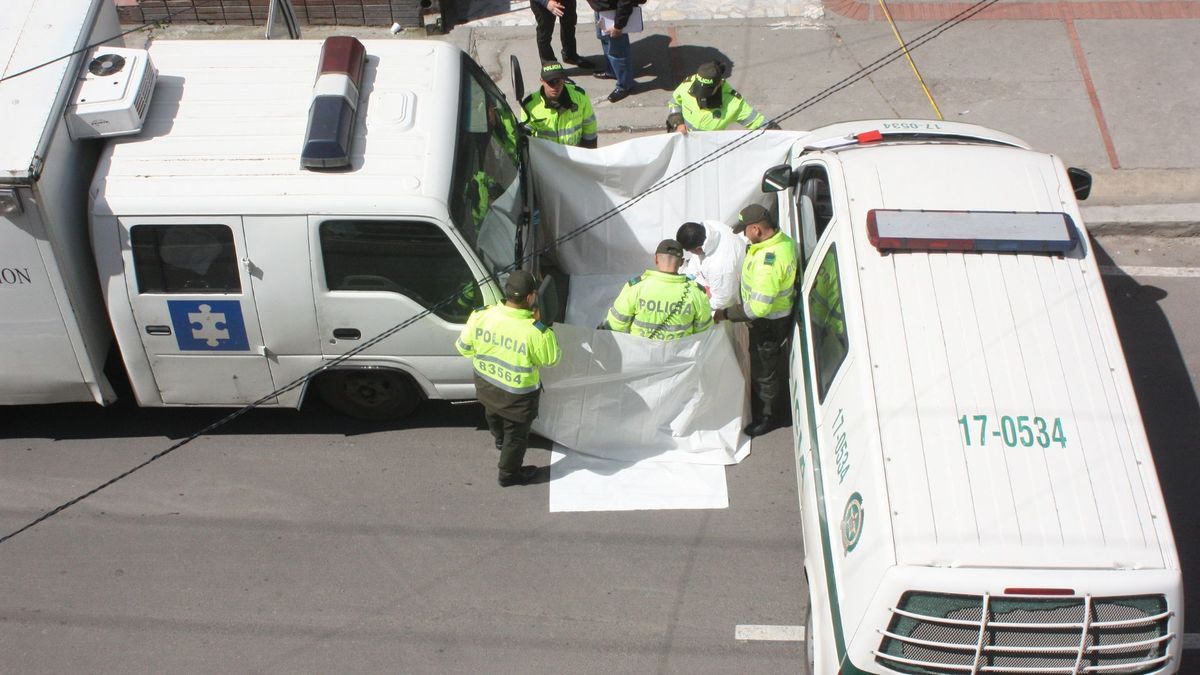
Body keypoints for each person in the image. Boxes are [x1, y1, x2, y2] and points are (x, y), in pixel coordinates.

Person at [456, 271, 563, 487]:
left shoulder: (481, 315)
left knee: (493, 416)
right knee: (516, 438)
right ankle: (509, 474)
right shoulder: (535, 332)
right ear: (531, 297)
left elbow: (464, 349)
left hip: (486, 387)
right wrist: (545, 327)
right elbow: (552, 360)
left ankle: (499, 441)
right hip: (517, 398)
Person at [713, 205, 797, 437]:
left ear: (757, 229)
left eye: (746, 230)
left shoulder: (767, 264)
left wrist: (725, 314)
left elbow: (758, 308)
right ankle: (770, 410)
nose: (744, 235)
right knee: (768, 366)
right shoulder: (782, 242)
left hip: (767, 324)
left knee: (764, 371)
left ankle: (768, 417)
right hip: (776, 317)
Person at [604, 239, 713, 340]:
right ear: (681, 262)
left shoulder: (636, 287)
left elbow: (615, 325)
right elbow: (704, 335)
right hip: (680, 359)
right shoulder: (696, 292)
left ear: (656, 259)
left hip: (639, 357)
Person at [666, 61, 779, 133]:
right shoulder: (687, 85)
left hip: (708, 151)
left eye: (706, 91)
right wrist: (678, 123)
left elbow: (757, 121)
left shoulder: (733, 102)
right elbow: (674, 103)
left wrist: (780, 134)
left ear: (719, 84)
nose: (700, 96)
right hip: (681, 142)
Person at [521, 61, 599, 149]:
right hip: (547, 156)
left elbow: (589, 126)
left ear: (563, 79)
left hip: (575, 155)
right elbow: (526, 135)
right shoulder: (530, 105)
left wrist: (589, 153)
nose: (555, 86)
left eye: (558, 81)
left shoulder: (580, 97)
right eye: (550, 82)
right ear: (542, 81)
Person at [675, 220, 746, 311]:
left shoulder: (719, 266)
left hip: (727, 293)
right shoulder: (709, 226)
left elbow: (721, 301)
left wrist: (698, 303)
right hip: (715, 278)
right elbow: (695, 262)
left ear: (698, 249)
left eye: (690, 251)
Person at [585, 0, 638, 102]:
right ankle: (613, 71)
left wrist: (618, 25)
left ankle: (625, 85)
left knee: (618, 52)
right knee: (606, 42)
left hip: (614, 14)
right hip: (603, 10)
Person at [529, 0, 593, 69]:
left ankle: (570, 55)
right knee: (545, 32)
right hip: (544, 3)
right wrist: (546, 2)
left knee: (569, 23)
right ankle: (549, 66)